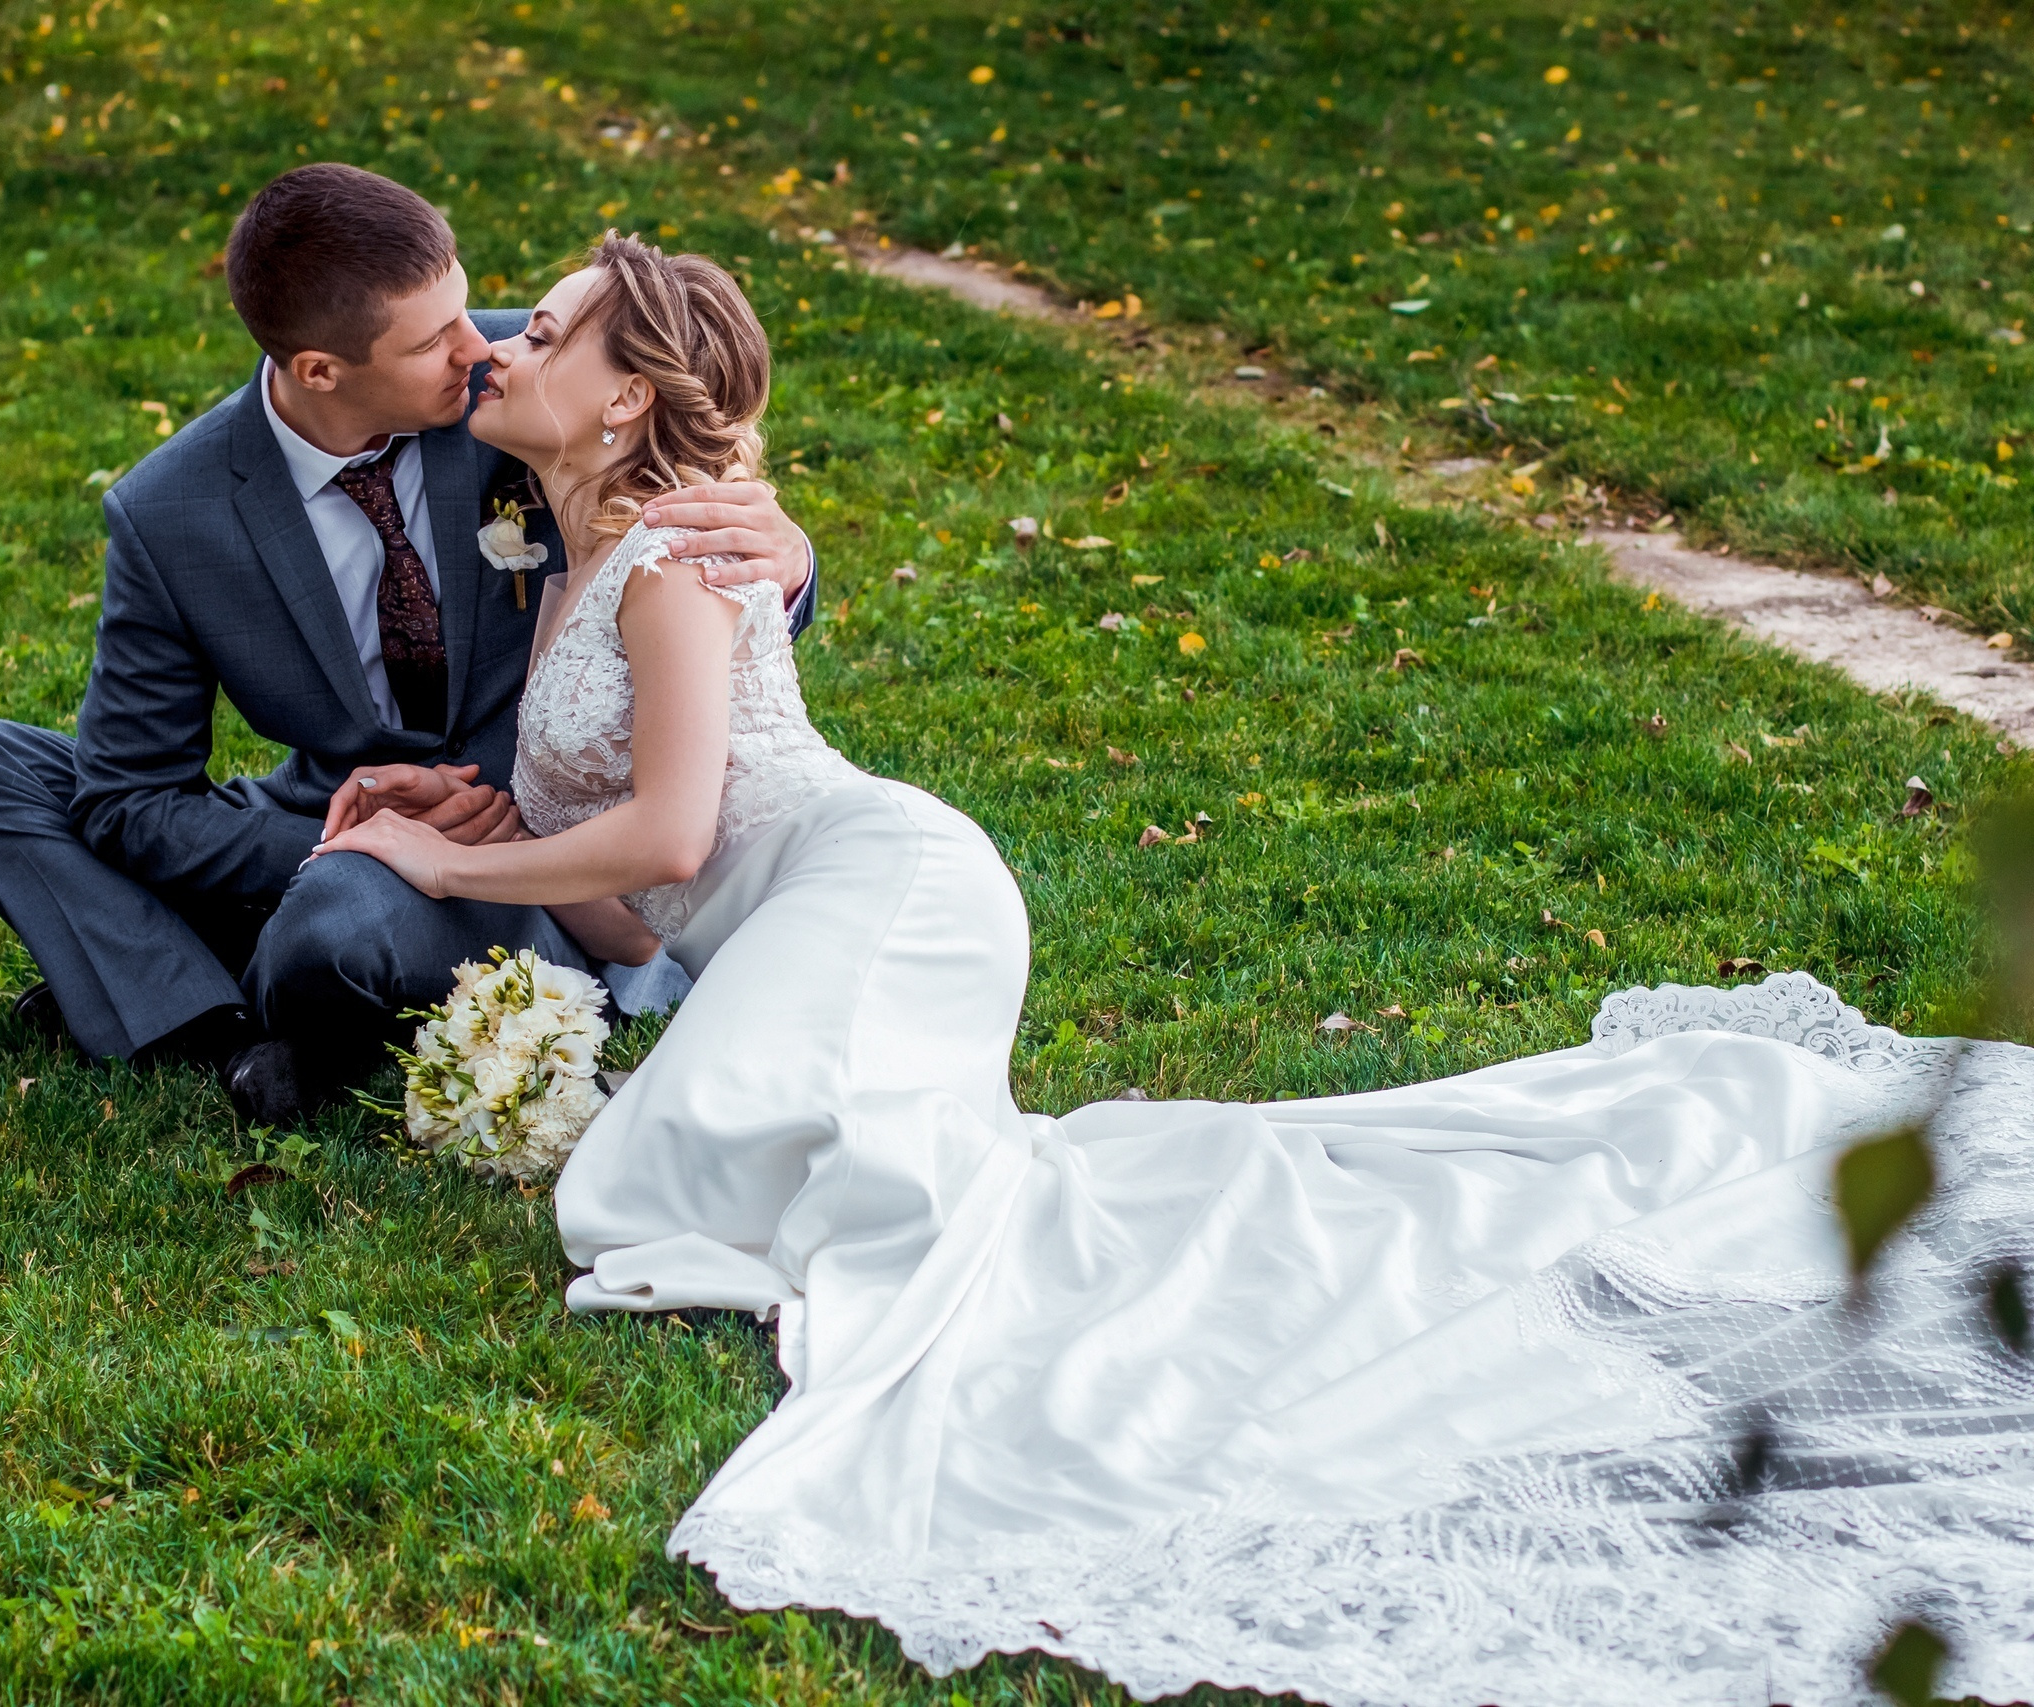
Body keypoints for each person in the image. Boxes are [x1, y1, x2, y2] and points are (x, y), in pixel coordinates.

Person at [319, 234, 2034, 1707]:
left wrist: (449, 868)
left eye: (548, 328)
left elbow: (678, 830)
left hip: (880, 885)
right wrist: (483, 825)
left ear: (628, 398)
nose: (503, 343)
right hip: (771, 925)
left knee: (674, 1188)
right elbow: (646, 905)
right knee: (717, 1185)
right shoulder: (557, 550)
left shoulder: (677, 559)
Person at [0, 165, 816, 1125]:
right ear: (320, 370)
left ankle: (180, 980)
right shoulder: (170, 511)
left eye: (466, 307)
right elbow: (128, 799)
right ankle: (219, 1023)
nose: (480, 346)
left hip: (542, 856)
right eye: (432, 340)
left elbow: (679, 537)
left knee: (338, 920)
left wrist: (788, 561)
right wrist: (353, 840)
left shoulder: (537, 383)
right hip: (335, 814)